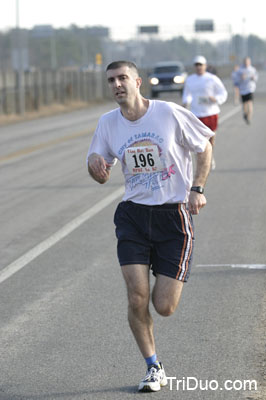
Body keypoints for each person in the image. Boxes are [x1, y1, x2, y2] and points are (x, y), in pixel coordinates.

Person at [87, 60, 214, 392]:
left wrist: (196, 189)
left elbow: (205, 147)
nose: (117, 84)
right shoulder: (108, 123)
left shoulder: (168, 113)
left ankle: (168, 273)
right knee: (136, 297)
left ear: (138, 82)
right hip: (133, 216)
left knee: (164, 306)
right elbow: (96, 161)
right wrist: (96, 167)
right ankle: (153, 366)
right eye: (111, 80)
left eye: (122, 78)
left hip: (173, 216)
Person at [182, 55, 228, 170]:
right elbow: (186, 94)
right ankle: (202, 162)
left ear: (205, 66)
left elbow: (223, 93)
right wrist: (185, 103)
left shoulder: (212, 78)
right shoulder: (190, 79)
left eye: (201, 65)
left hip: (211, 112)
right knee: (198, 140)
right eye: (196, 65)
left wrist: (216, 99)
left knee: (211, 138)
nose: (199, 67)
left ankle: (210, 157)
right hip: (196, 114)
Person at [235, 57, 258, 124]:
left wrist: (253, 78)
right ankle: (245, 114)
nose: (246, 63)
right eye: (245, 62)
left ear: (250, 62)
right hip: (243, 89)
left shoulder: (252, 69)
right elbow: (237, 80)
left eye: (248, 61)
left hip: (250, 89)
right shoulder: (240, 70)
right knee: (244, 104)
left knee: (250, 103)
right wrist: (241, 78)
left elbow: (256, 78)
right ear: (244, 62)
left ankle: (249, 118)